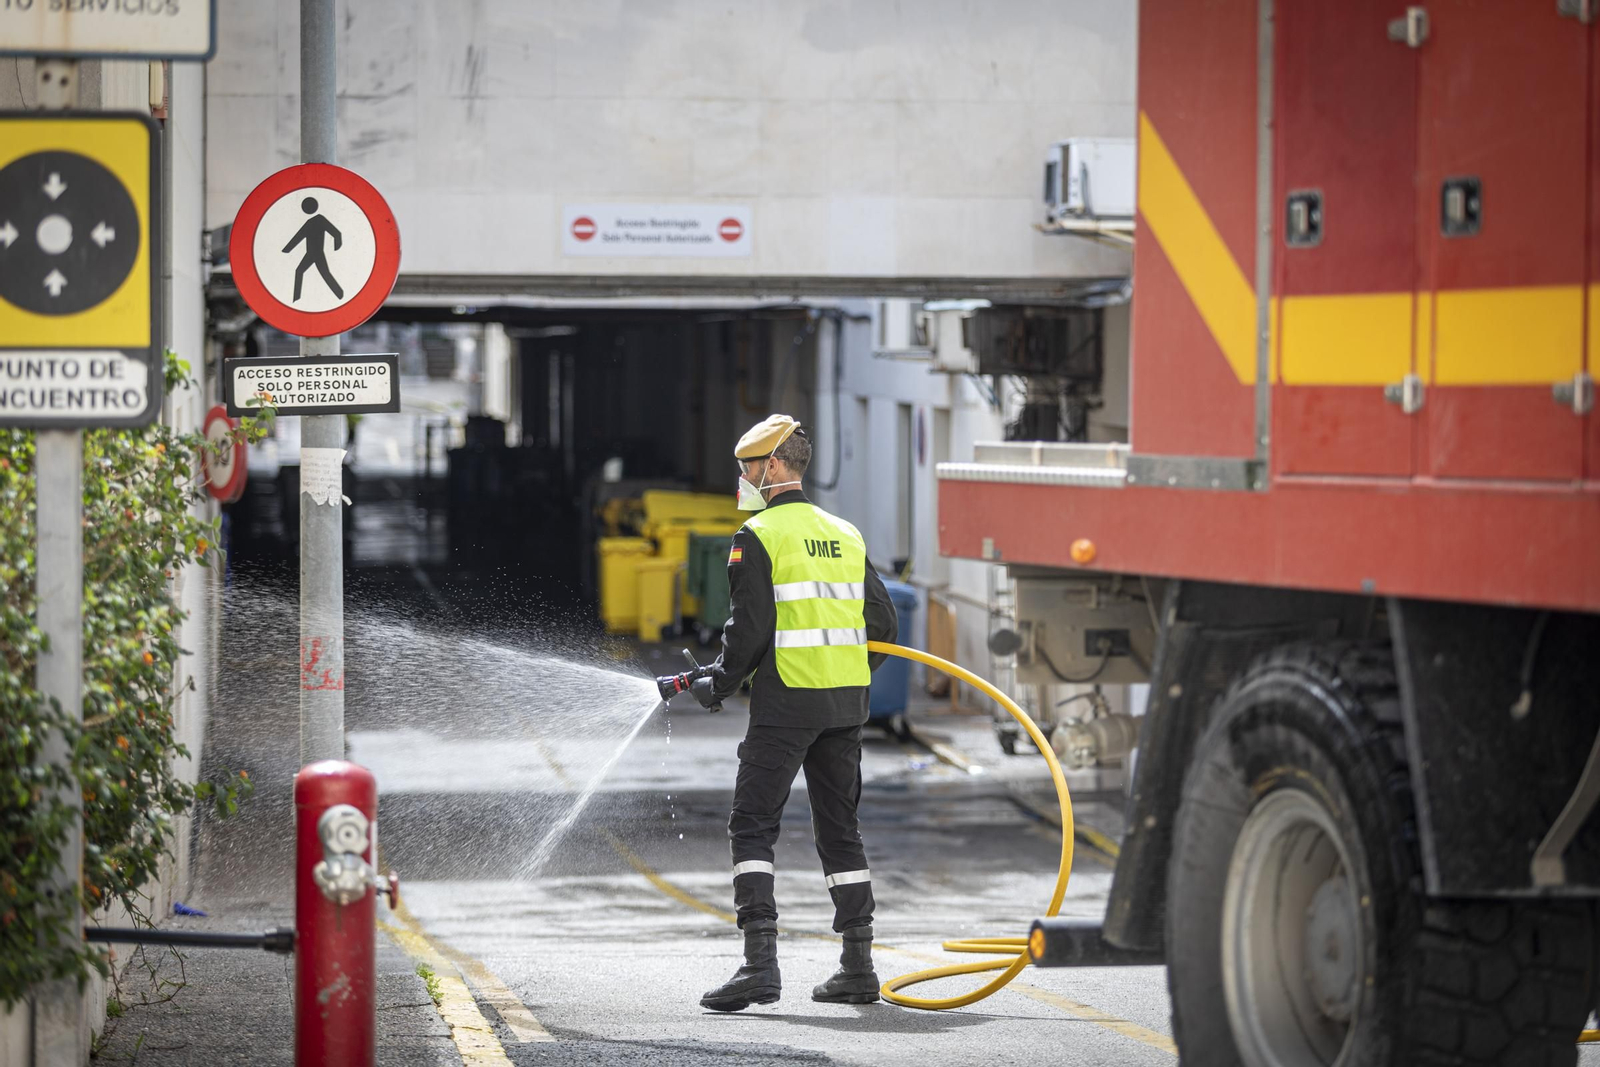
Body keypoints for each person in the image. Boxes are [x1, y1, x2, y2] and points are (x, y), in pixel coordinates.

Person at [658, 413, 898, 1012]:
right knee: (841, 830)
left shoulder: (757, 536)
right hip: (845, 703)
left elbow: (749, 634)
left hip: (786, 701)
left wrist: (719, 684)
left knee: (753, 825)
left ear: (772, 466)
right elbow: (884, 626)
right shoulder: (846, 533)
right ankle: (857, 966)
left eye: (747, 467)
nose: (742, 477)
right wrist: (843, 677)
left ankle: (759, 967)